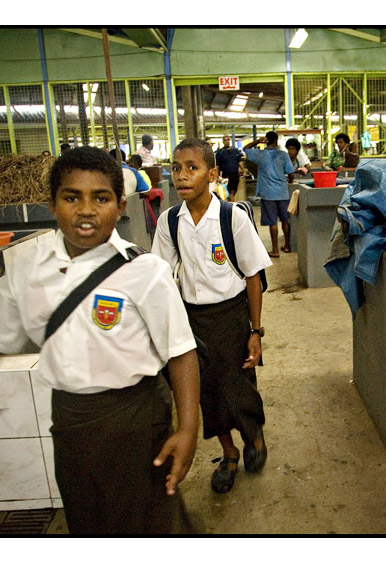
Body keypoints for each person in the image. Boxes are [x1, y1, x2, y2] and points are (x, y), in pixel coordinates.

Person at [0, 146, 201, 534]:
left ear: (120, 207)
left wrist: (188, 429)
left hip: (134, 417)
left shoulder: (145, 272)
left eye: (101, 197)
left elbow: (181, 353)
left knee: (148, 521)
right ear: (52, 203)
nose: (86, 209)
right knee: (87, 519)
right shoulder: (31, 267)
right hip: (69, 420)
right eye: (71, 196)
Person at [152, 138, 271, 494]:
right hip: (193, 320)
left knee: (239, 389)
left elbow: (252, 277)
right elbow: (160, 276)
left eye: (193, 167)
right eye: (176, 168)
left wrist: (256, 331)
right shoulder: (170, 222)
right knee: (209, 395)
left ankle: (254, 438)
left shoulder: (231, 218)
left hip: (232, 315)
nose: (182, 176)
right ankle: (229, 452)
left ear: (213, 174)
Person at [243, 131, 294, 256]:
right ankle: (287, 246)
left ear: (267, 139)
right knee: (285, 220)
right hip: (282, 192)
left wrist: (258, 141)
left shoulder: (260, 155)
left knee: (273, 222)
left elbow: (245, 148)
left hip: (268, 194)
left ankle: (275, 250)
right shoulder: (283, 155)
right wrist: (289, 182)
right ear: (276, 140)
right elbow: (290, 173)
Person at [215, 135, 244, 202]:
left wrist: (243, 170)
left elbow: (239, 161)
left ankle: (231, 203)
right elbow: (217, 166)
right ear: (223, 142)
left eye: (228, 140)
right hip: (226, 174)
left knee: (234, 191)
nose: (227, 142)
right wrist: (217, 176)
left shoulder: (235, 151)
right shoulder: (220, 152)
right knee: (229, 191)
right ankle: (231, 206)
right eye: (225, 140)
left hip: (235, 174)